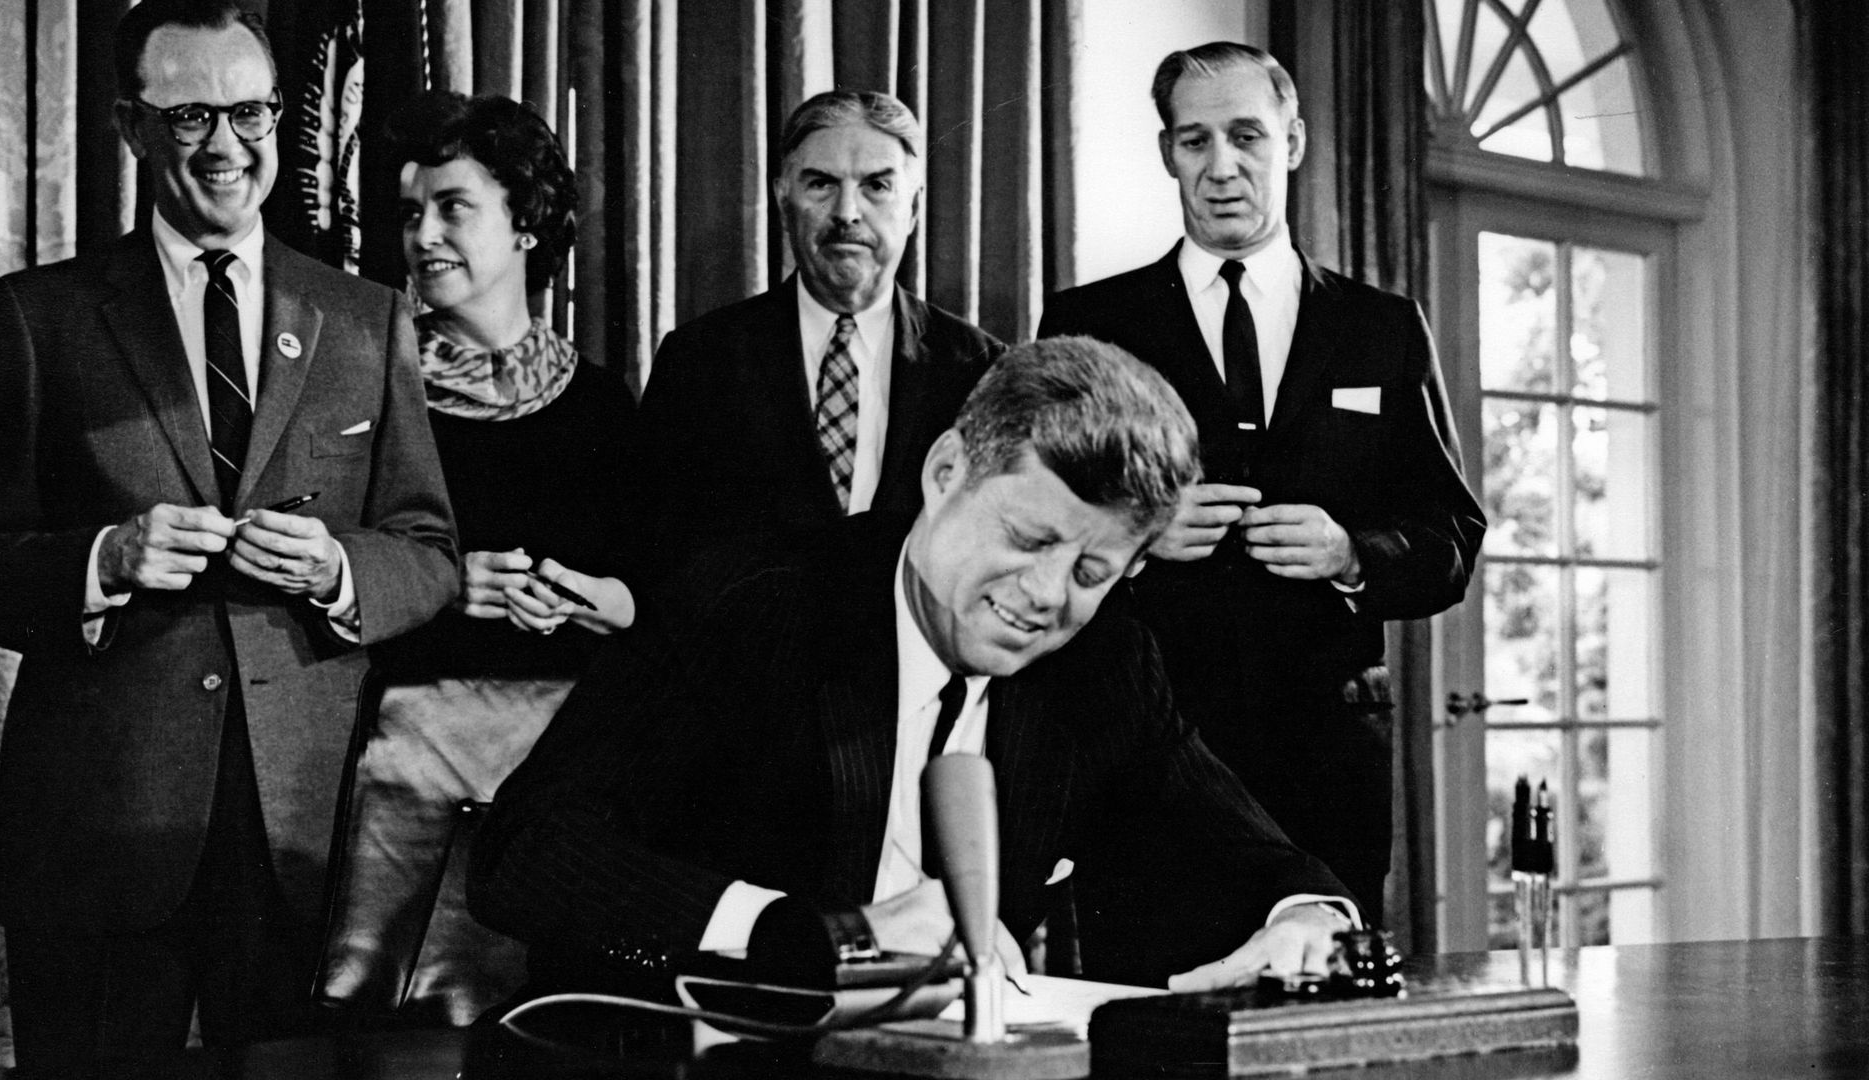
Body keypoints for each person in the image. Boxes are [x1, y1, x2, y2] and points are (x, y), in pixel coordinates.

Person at [470, 337, 1357, 998]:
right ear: (944, 473)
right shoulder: (753, 602)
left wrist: (1309, 921)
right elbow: (524, 857)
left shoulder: (1106, 657)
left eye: (1093, 571)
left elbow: (1244, 848)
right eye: (1026, 539)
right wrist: (821, 935)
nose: (1048, 596)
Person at [0, 1, 459, 1072]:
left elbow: (428, 550)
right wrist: (106, 559)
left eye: (249, 113)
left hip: (302, 843)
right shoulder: (40, 317)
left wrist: (338, 570)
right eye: (189, 119)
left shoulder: (366, 318)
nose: (226, 146)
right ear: (133, 130)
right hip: (98, 840)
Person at [1035, 41, 1485, 922]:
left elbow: (1451, 536)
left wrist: (1352, 552)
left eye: (1247, 135)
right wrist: (1138, 538)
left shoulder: (1381, 329)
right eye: (1195, 141)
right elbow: (1035, 522)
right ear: (1168, 154)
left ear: (1295, 141)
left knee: (1320, 1019)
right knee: (1150, 1024)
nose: (1222, 167)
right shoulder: (1090, 323)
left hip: (1329, 762)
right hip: (1144, 755)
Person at [313, 91, 639, 1021]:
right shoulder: (360, 389)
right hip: (394, 778)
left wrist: (595, 598)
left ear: (527, 223)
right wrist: (448, 588)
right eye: (411, 213)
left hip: (568, 791)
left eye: (454, 207)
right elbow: (319, 586)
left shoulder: (604, 404)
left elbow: (649, 598)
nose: (423, 235)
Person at [630, 89, 1002, 581]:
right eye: (822, 183)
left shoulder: (978, 367)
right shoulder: (700, 358)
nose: (847, 212)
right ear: (784, 199)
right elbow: (659, 554)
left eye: (876, 186)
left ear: (913, 209)